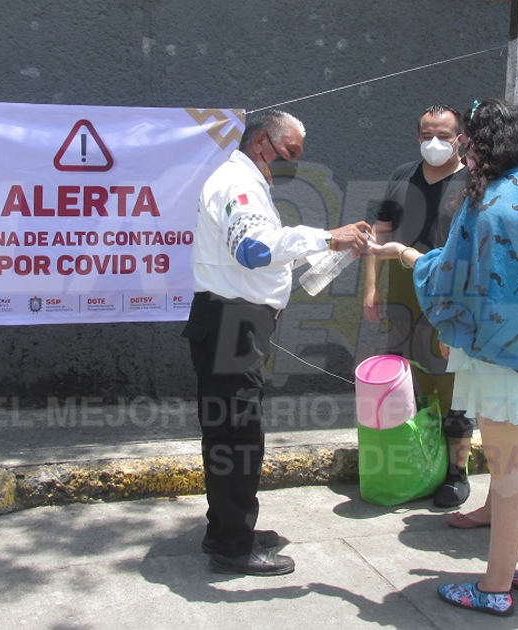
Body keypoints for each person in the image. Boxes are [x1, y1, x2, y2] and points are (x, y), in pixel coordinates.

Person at [368, 98, 518, 616]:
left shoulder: (487, 201)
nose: (462, 154)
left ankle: (493, 588)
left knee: (509, 471)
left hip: (501, 355)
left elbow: (453, 276)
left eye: (468, 145)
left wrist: (402, 254)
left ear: (486, 145)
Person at [183, 109, 373, 576]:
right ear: (262, 143)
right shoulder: (240, 185)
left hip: (231, 322)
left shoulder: (241, 180)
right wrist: (329, 237)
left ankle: (226, 528)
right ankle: (233, 546)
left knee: (226, 432)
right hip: (234, 324)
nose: (292, 163)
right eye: (289, 153)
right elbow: (255, 250)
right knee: (238, 436)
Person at [362, 104, 475, 508]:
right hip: (402, 297)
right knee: (410, 382)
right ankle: (422, 462)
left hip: (451, 298)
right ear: (417, 137)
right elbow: (381, 232)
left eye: (444, 135)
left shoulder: (474, 182)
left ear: (461, 138)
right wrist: (372, 287)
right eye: (427, 134)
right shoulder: (401, 177)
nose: (435, 143)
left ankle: (456, 474)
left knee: (452, 386)